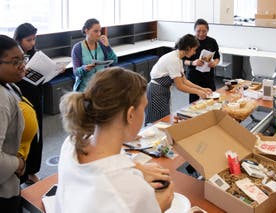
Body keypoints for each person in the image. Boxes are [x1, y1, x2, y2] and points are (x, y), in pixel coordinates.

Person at [56, 67, 174, 213]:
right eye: (143, 108)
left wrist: (135, 168)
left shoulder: (71, 143)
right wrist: (158, 207)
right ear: (130, 115)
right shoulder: (134, 193)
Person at [145, 34, 212, 124]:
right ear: (188, 48)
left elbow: (184, 81)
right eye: (194, 50)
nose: (194, 53)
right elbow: (180, 86)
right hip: (156, 92)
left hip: (163, 91)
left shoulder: (178, 59)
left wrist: (202, 89)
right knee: (156, 123)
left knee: (164, 120)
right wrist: (197, 92)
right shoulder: (174, 60)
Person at [0, 35, 27, 212]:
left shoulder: (9, 85)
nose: (22, 65)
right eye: (15, 61)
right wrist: (18, 164)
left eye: (23, 58)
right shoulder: (1, 101)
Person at [13, 23, 42, 184]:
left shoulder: (34, 54)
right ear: (18, 39)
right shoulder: (11, 57)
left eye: (34, 39)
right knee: (22, 137)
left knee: (37, 136)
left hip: (35, 97)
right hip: (21, 98)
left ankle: (32, 170)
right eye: (29, 40)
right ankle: (21, 173)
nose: (32, 43)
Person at [72, 18, 118, 92]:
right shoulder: (78, 48)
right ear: (86, 31)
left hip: (102, 87)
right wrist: (84, 68)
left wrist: (107, 47)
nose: (99, 34)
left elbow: (115, 62)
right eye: (96, 31)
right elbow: (76, 72)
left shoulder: (102, 44)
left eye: (100, 31)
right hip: (85, 89)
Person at [184, 18, 220, 103]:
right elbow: (183, 60)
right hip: (194, 76)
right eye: (198, 31)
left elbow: (217, 57)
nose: (201, 34)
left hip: (208, 76)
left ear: (208, 30)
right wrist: (193, 62)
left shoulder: (212, 41)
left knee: (211, 98)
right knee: (194, 102)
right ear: (194, 30)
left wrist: (215, 63)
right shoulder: (189, 42)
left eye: (204, 31)